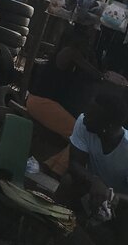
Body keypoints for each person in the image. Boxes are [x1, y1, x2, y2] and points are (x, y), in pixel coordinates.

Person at [58, 88, 128, 245]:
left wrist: (111, 196)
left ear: (108, 125)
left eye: (91, 113)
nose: (85, 115)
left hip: (119, 207)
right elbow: (74, 164)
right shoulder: (84, 124)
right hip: (90, 193)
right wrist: (94, 183)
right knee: (68, 184)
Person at [25, 27, 105, 176]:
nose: (88, 45)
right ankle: (55, 169)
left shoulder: (69, 57)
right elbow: (93, 72)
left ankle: (53, 166)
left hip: (44, 103)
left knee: (81, 135)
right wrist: (103, 76)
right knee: (82, 136)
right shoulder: (68, 52)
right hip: (42, 103)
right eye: (86, 42)